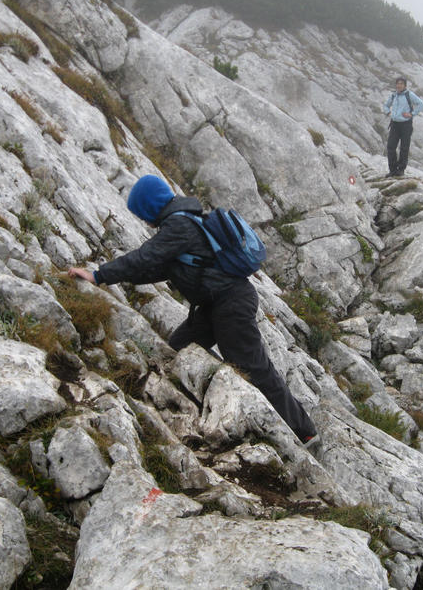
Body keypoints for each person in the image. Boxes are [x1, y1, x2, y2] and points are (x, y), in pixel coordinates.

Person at [68, 175, 318, 445]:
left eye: (141, 213)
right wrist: (112, 279)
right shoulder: (181, 225)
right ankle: (198, 409)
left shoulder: (179, 226)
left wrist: (99, 275)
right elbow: (154, 268)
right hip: (214, 305)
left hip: (231, 304)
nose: (143, 221)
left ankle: (303, 431)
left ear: (149, 207)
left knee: (253, 368)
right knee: (177, 350)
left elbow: (145, 257)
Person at [383, 77, 423, 177]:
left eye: (401, 84)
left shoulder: (409, 94)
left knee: (404, 147)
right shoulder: (393, 95)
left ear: (405, 85)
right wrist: (388, 112)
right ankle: (393, 170)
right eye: (397, 83)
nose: (399, 85)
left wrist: (412, 114)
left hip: (406, 125)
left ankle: (401, 170)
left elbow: (421, 104)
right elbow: (386, 105)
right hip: (394, 124)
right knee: (391, 147)